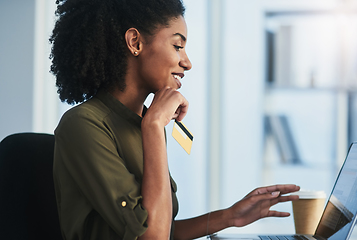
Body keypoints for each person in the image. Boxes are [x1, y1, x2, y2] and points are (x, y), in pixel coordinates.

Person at [49, 0, 300, 239]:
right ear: (135, 42)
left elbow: (161, 227)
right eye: (177, 46)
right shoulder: (84, 124)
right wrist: (155, 126)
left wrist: (229, 216)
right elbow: (153, 237)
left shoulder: (146, 122)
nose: (187, 62)